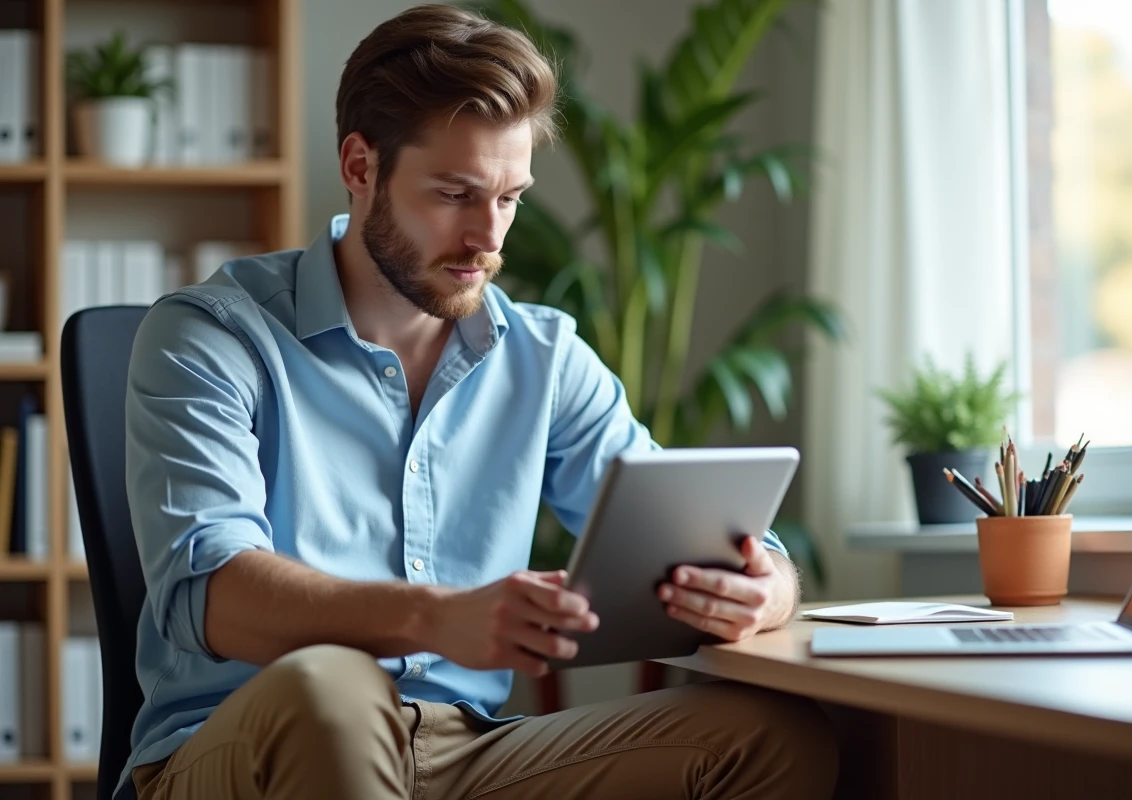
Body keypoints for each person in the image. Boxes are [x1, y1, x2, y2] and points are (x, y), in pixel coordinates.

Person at [119, 5, 838, 799]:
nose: (488, 237)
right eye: (456, 194)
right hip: (246, 743)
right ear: (360, 166)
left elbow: (700, 534)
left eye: (509, 197)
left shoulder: (543, 357)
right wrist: (433, 617)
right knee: (333, 691)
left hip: (462, 750)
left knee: (771, 739)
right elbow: (212, 596)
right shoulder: (211, 338)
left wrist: (766, 586)